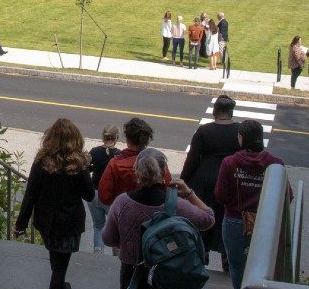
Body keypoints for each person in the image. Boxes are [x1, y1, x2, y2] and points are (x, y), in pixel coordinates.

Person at [103, 149, 215, 289]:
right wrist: (189, 193)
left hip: (132, 272)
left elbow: (108, 239)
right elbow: (208, 219)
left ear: (136, 170)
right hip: (168, 270)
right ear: (163, 171)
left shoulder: (122, 203)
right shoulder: (177, 205)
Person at [14, 118, 95, 289]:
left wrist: (21, 223)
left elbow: (31, 194)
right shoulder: (79, 164)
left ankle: (60, 283)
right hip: (70, 223)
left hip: (47, 222)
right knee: (60, 267)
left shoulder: (41, 161)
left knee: (56, 261)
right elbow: (89, 195)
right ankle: (58, 285)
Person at [215, 120, 289, 289]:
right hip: (265, 223)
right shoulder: (275, 164)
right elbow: (286, 196)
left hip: (235, 221)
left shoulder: (229, 163)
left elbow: (220, 196)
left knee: (237, 265)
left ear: (241, 138)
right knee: (265, 267)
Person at [181, 95, 241, 272]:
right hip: (228, 181)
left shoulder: (204, 131)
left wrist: (183, 180)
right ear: (231, 112)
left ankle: (202, 256)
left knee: (203, 218)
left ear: (215, 111)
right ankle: (227, 259)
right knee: (225, 220)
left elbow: (192, 159)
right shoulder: (239, 131)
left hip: (203, 181)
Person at [98, 118, 171, 207]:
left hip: (124, 211)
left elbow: (104, 197)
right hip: (154, 213)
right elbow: (169, 189)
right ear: (146, 140)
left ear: (127, 139)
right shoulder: (158, 161)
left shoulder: (115, 164)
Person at [88, 125, 120, 254]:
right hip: (110, 195)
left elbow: (88, 168)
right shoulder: (118, 154)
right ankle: (116, 255)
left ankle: (98, 253)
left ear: (102, 137)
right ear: (116, 138)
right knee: (114, 226)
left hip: (94, 193)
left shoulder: (94, 152)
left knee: (98, 226)